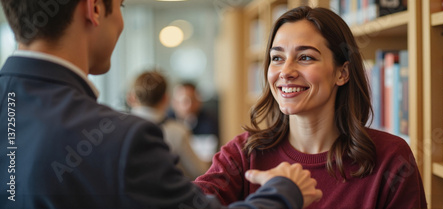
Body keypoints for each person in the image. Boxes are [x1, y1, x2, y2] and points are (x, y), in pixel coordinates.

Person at [0, 1, 323, 208]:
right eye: (122, 5)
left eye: (306, 56)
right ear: (94, 9)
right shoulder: (121, 140)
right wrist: (284, 192)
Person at [194, 6, 427, 209]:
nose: (286, 71)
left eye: (305, 57)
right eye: (277, 58)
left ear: (342, 73)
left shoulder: (391, 158)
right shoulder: (243, 154)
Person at [127, 70, 209, 180]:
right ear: (166, 99)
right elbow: (200, 172)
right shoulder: (178, 132)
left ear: (131, 98)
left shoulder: (119, 129)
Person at [169, 82, 219, 162]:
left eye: (192, 100)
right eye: (184, 101)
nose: (189, 105)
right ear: (175, 103)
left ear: (199, 102)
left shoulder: (209, 122)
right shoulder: (167, 122)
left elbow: (207, 157)